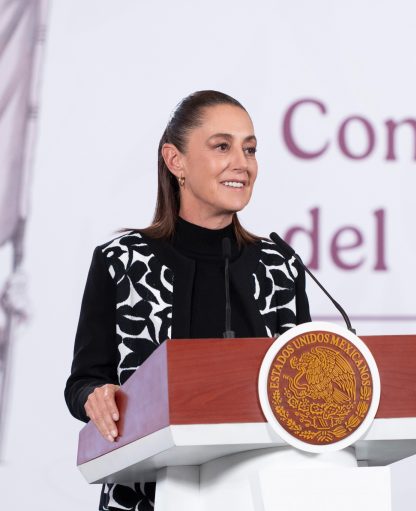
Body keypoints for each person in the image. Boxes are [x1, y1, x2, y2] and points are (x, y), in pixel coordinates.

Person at [64, 90, 311, 511]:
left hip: (262, 494)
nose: (242, 163)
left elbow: (305, 388)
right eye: (222, 146)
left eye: (250, 149)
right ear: (175, 161)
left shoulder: (279, 267)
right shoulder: (122, 262)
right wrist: (96, 394)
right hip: (145, 496)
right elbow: (83, 381)